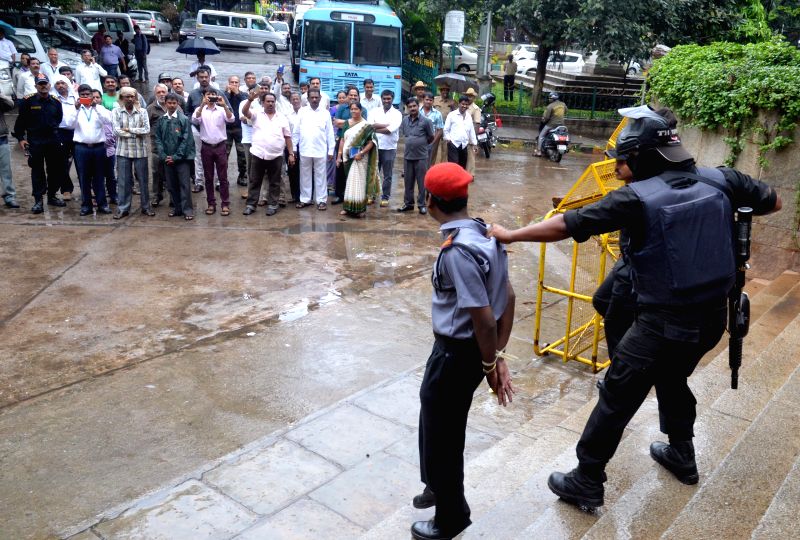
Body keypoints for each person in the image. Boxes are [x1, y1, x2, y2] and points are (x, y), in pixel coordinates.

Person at [488, 105, 782, 510]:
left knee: (617, 396)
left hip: (662, 324)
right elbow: (774, 202)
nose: (620, 168)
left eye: (625, 161)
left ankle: (587, 478)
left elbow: (566, 225)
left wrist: (510, 234)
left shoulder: (635, 199)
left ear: (644, 158)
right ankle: (682, 452)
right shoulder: (723, 179)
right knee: (672, 377)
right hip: (713, 320)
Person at [411, 162, 515, 540]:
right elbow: (509, 296)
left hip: (457, 352)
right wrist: (497, 355)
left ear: (430, 201)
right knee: (433, 413)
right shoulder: (486, 234)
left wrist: (491, 364)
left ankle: (450, 517)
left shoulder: (457, 251)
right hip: (464, 351)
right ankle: (435, 484)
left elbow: (483, 318)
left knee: (444, 433)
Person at [13, 73, 66, 214]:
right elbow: (20, 122)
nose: (43, 86)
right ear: (36, 85)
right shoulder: (27, 102)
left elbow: (58, 119)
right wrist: (21, 138)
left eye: (45, 83)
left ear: (49, 85)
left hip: (52, 140)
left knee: (54, 169)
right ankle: (38, 200)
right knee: (37, 171)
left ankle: (52, 196)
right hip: (35, 141)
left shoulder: (56, 102)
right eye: (40, 84)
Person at [242, 90, 294, 216]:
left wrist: (291, 154)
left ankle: (272, 204)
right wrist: (249, 100)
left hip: (276, 155)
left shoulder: (282, 117)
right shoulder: (256, 114)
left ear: (275, 103)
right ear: (263, 103)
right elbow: (244, 112)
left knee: (275, 182)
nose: (270, 103)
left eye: (272, 101)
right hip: (258, 153)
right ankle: (251, 204)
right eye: (268, 101)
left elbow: (287, 137)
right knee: (255, 180)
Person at [69, 83, 113, 215]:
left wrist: (95, 107)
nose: (85, 97)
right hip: (81, 148)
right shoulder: (75, 109)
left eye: (88, 95)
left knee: (99, 176)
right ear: (79, 96)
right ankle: (86, 205)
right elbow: (70, 125)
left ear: (92, 96)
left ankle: (102, 204)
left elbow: (108, 120)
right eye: (82, 95)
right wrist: (76, 109)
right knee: (84, 177)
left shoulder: (100, 108)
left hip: (99, 147)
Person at [112, 86, 152, 219]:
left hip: (140, 151)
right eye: (126, 96)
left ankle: (146, 207)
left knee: (143, 181)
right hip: (123, 151)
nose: (129, 99)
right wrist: (135, 133)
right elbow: (116, 131)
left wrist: (129, 130)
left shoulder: (142, 112)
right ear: (121, 98)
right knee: (123, 181)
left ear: (135, 97)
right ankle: (123, 208)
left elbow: (146, 130)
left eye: (132, 96)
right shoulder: (116, 111)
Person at [192, 87, 234, 215]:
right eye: (208, 94)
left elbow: (231, 119)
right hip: (206, 147)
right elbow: (194, 120)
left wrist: (225, 105)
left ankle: (225, 204)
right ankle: (211, 204)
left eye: (213, 95)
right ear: (204, 96)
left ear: (217, 96)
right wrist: (202, 104)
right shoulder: (200, 109)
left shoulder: (221, 109)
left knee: (223, 177)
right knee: (208, 177)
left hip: (221, 146)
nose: (211, 97)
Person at [186, 68, 227, 192]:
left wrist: (220, 106)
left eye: (206, 77)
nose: (204, 79)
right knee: (198, 157)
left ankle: (218, 182)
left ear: (210, 77)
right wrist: (192, 121)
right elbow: (187, 111)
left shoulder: (218, 92)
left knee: (216, 157)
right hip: (198, 130)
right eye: (201, 77)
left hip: (214, 130)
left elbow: (228, 109)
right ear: (197, 78)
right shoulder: (193, 94)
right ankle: (199, 182)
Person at [293, 88, 335, 211]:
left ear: (320, 98)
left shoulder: (325, 113)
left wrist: (331, 150)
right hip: (305, 149)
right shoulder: (302, 111)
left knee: (321, 176)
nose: (315, 99)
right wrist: (294, 147)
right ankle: (305, 199)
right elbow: (296, 131)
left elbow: (330, 133)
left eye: (317, 97)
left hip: (320, 149)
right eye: (312, 97)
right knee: (305, 175)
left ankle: (321, 201)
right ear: (308, 99)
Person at [155, 92, 195, 220]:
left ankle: (187, 210)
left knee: (184, 184)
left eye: (174, 103)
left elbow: (186, 140)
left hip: (182, 159)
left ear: (178, 104)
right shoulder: (162, 120)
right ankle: (177, 208)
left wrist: (176, 156)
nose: (171, 105)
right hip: (167, 158)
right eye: (169, 103)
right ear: (165, 104)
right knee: (171, 185)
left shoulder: (183, 119)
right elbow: (158, 139)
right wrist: (164, 155)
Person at [337, 102, 378, 218]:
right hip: (347, 158)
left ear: (361, 110)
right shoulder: (346, 123)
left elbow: (371, 142)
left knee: (359, 183)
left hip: (360, 158)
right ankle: (347, 208)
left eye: (356, 109)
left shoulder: (366, 125)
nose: (353, 111)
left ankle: (360, 209)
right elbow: (342, 140)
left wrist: (361, 153)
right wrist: (339, 156)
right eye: (352, 109)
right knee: (349, 183)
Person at [397, 97, 434, 215]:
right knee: (408, 182)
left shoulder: (426, 121)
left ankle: (422, 205)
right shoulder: (405, 121)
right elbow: (406, 136)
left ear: (418, 106)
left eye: (414, 106)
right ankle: (408, 204)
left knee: (422, 182)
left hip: (421, 157)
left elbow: (431, 137)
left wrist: (421, 145)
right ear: (407, 108)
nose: (412, 108)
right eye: (410, 107)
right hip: (408, 156)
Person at [333, 86, 368, 204]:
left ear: (359, 97)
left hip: (357, 143)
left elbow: (364, 126)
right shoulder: (342, 108)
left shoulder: (364, 109)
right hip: (342, 140)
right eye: (351, 95)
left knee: (354, 169)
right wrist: (352, 122)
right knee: (340, 167)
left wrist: (347, 123)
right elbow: (336, 123)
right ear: (347, 96)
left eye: (355, 95)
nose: (353, 97)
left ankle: (352, 195)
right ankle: (339, 195)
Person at [369, 89, 402, 208]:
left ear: (392, 99)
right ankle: (372, 195)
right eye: (384, 98)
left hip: (389, 148)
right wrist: (386, 125)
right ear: (381, 99)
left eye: (389, 99)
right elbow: (370, 126)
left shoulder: (397, 113)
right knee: (374, 172)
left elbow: (391, 130)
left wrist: (377, 127)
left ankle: (385, 197)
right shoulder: (374, 111)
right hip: (375, 146)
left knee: (387, 174)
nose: (386, 101)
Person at [51, 75, 76, 201]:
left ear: (67, 84)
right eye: (58, 83)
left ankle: (87, 189)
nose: (60, 85)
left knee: (81, 162)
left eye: (63, 83)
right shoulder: (53, 99)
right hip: (60, 133)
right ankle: (66, 189)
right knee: (62, 163)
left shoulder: (76, 96)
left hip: (77, 132)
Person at [146, 83, 170, 206]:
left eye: (163, 92)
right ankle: (156, 196)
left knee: (172, 173)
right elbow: (145, 126)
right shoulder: (151, 108)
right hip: (156, 147)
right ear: (155, 94)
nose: (161, 94)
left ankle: (173, 197)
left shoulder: (173, 105)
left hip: (172, 148)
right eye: (159, 92)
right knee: (156, 173)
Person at [223, 75, 248, 187]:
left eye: (236, 82)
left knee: (242, 154)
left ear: (239, 83)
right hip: (226, 129)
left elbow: (246, 103)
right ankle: (222, 178)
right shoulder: (223, 94)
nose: (234, 84)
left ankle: (242, 176)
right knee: (224, 155)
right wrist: (228, 92)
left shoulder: (243, 94)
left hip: (239, 129)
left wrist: (237, 93)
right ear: (228, 83)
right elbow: (222, 104)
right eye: (232, 82)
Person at [96, 89, 118, 205]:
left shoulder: (107, 112)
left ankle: (113, 195)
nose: (95, 100)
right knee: (97, 175)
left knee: (110, 174)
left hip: (109, 148)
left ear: (101, 99)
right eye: (92, 97)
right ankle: (99, 197)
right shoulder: (85, 112)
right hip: (94, 148)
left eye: (97, 97)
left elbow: (113, 129)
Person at [443, 96, 477, 169]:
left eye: (466, 104)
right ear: (459, 104)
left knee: (462, 167)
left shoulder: (468, 116)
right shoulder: (452, 115)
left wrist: (475, 143)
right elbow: (446, 129)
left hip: (464, 144)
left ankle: (460, 180)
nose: (464, 106)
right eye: (463, 104)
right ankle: (452, 180)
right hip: (453, 144)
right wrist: (448, 139)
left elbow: (471, 131)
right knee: (454, 166)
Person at [0, 87, 20, 209]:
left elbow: (10, 104)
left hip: (1, 138)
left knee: (5, 171)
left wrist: (0, 95)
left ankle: (9, 197)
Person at [535, 92, 567, 157]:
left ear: (552, 99)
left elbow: (546, 117)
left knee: (541, 136)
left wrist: (543, 120)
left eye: (550, 98)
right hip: (562, 125)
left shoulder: (550, 106)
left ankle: (538, 152)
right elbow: (566, 111)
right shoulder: (563, 104)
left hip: (551, 125)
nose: (549, 99)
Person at [433, 84, 456, 164]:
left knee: (445, 148)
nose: (445, 92)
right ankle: (435, 166)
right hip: (436, 128)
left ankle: (444, 165)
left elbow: (455, 114)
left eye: (447, 90)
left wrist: (453, 107)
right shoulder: (435, 100)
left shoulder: (452, 101)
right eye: (443, 90)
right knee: (436, 147)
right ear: (440, 91)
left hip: (447, 128)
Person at [420, 92, 444, 166]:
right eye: (426, 99)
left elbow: (440, 130)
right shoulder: (418, 111)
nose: (428, 102)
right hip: (418, 141)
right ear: (423, 100)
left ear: (433, 102)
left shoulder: (437, 114)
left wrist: (433, 142)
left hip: (430, 142)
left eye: (430, 100)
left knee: (428, 162)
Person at [463, 88, 481, 175]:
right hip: (461, 135)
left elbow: (477, 124)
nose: (469, 98)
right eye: (468, 96)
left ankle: (471, 174)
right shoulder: (463, 106)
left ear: (474, 98)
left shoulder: (475, 109)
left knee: (470, 156)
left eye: (471, 96)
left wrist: (474, 139)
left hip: (470, 136)